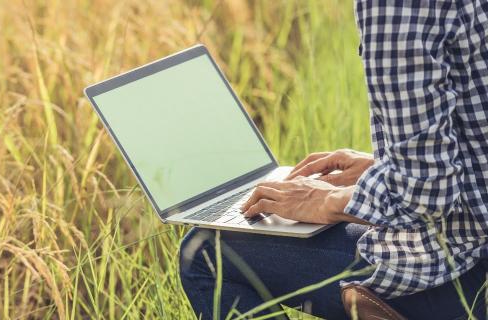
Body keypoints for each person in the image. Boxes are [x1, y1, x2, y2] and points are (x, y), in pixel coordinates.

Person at [179, 0, 488, 319]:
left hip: (466, 270)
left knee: (204, 252)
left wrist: (329, 200)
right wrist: (382, 167)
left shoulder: (392, 7)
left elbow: (426, 194)